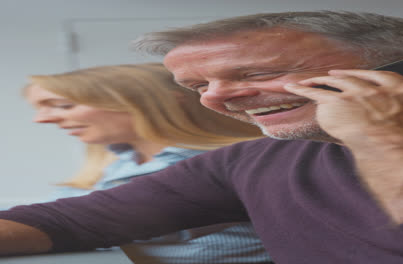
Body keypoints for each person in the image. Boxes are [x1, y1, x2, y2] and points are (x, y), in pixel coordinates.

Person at [0, 11, 403, 264]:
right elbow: (71, 222)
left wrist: (388, 134)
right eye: (198, 87)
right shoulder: (250, 162)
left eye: (260, 73)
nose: (218, 100)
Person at [22, 63, 272, 264]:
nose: (42, 120)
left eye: (64, 106)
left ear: (155, 102)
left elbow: (80, 224)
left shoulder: (228, 167)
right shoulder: (121, 162)